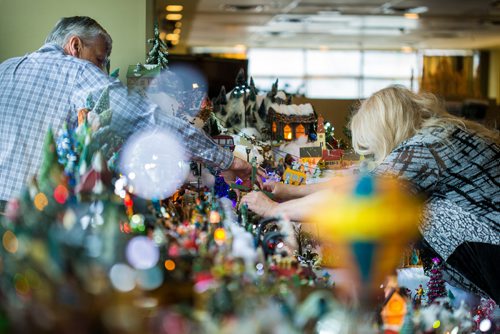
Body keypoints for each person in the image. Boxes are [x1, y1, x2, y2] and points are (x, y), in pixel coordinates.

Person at [241, 85, 499, 302]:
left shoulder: (426, 148)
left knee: (413, 209)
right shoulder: (436, 137)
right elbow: (359, 178)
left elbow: (359, 195)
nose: (371, 155)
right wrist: (291, 192)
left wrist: (275, 210)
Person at [0, 16, 262, 212]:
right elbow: (150, 121)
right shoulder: (77, 71)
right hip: (36, 213)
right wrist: (229, 162)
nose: (102, 71)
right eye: (100, 59)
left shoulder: (6, 69)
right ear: (75, 46)